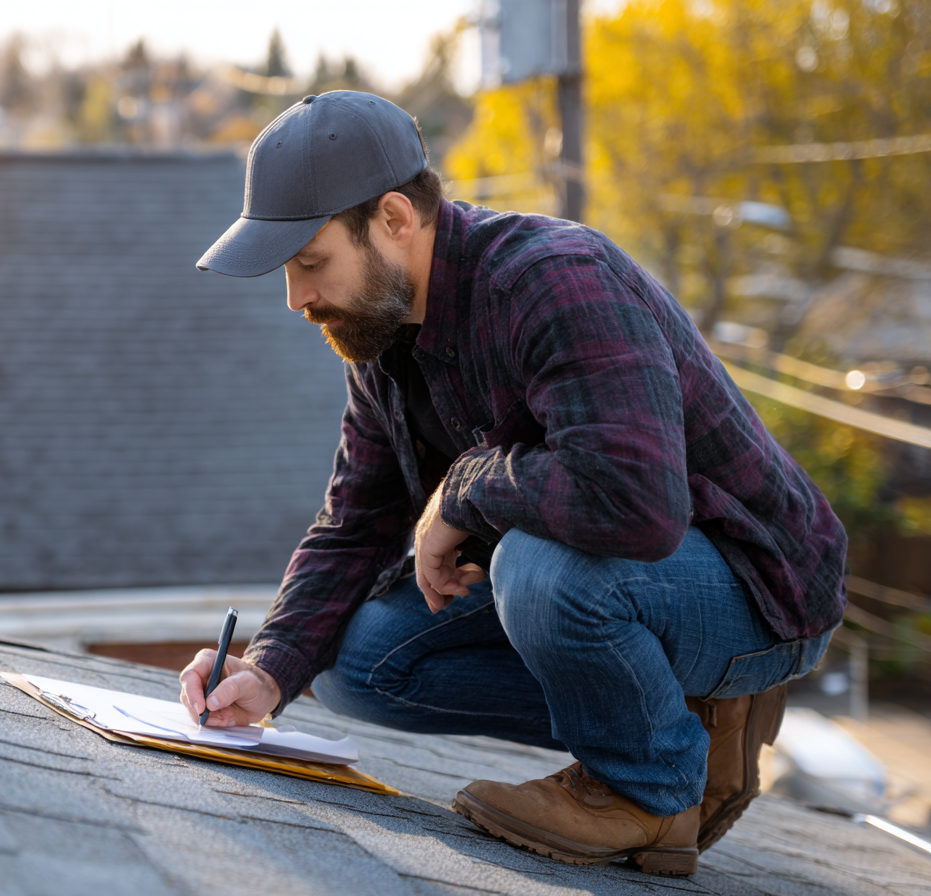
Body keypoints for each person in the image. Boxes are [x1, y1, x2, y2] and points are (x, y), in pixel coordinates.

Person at [178, 91, 845, 877]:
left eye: (311, 263)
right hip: (621, 583)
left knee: (537, 568)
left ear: (395, 219)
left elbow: (634, 503)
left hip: (754, 589)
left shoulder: (556, 280)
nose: (298, 300)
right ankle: (679, 721)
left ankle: (651, 791)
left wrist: (464, 488)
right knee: (353, 663)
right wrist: (267, 668)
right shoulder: (384, 339)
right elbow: (356, 523)